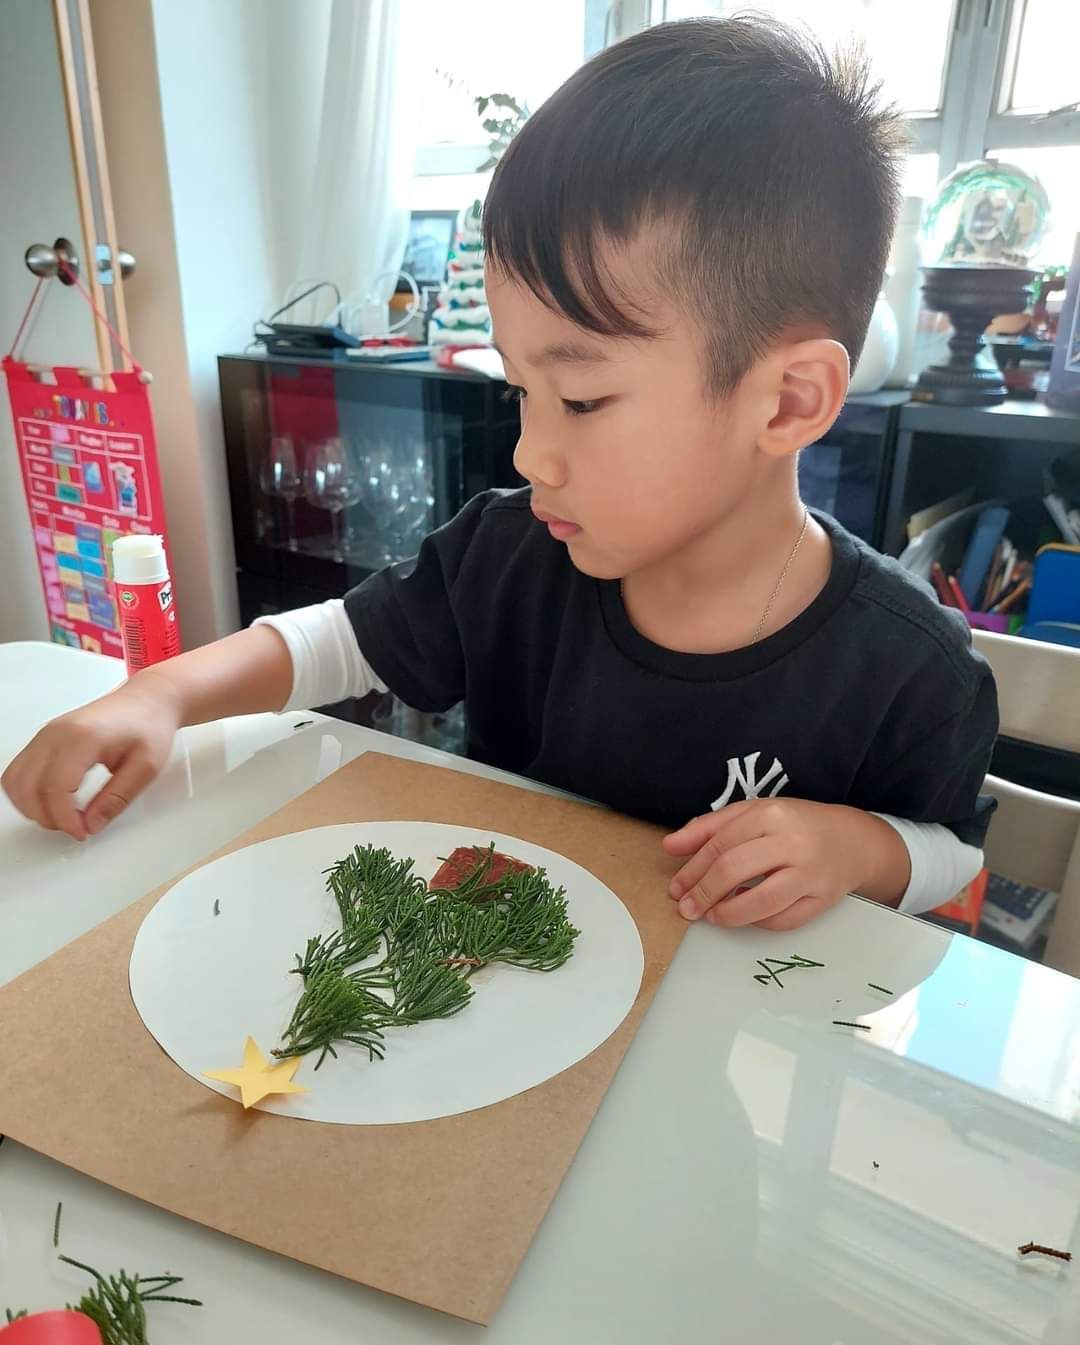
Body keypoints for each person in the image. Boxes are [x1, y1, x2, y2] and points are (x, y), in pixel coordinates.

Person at [3, 16, 997, 933]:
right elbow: (339, 641)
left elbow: (953, 854)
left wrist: (859, 849)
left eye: (583, 399)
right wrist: (162, 695)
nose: (527, 454)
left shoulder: (910, 668)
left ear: (785, 403)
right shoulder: (511, 553)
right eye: (522, 390)